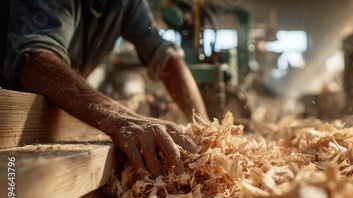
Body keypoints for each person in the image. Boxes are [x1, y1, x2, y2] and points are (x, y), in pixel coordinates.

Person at [0, 0, 209, 178]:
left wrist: (204, 126)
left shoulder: (127, 3)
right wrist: (116, 116)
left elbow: (165, 57)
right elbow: (34, 61)